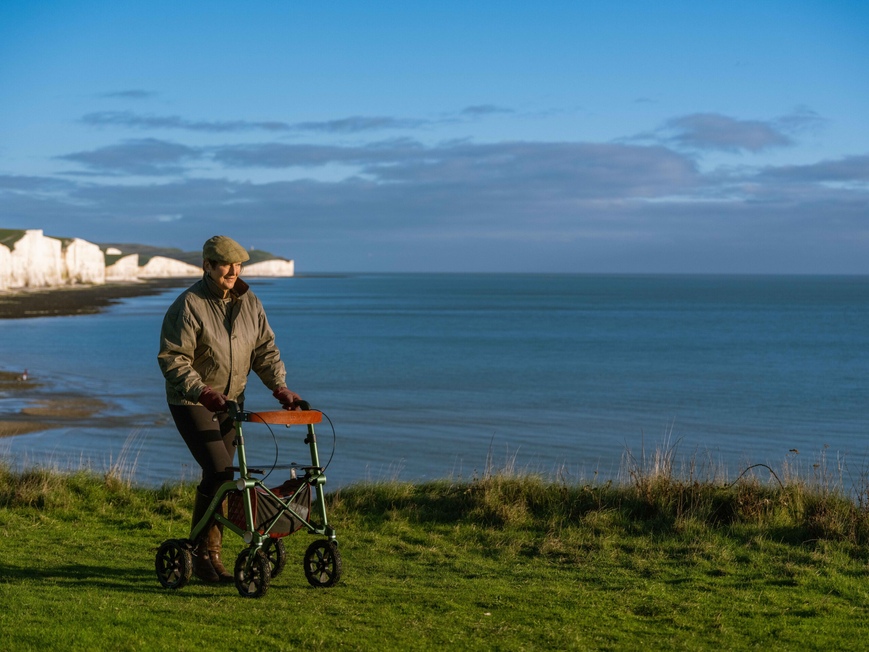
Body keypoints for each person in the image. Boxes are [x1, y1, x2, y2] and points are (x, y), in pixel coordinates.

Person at [157, 235, 304, 583]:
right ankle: (208, 559)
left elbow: (265, 350)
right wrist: (202, 391)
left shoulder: (250, 301)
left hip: (230, 403)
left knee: (221, 479)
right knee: (222, 474)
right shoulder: (189, 304)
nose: (233, 271)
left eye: (238, 265)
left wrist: (279, 388)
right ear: (207, 266)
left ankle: (200, 553)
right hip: (191, 401)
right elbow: (173, 359)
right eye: (225, 265)